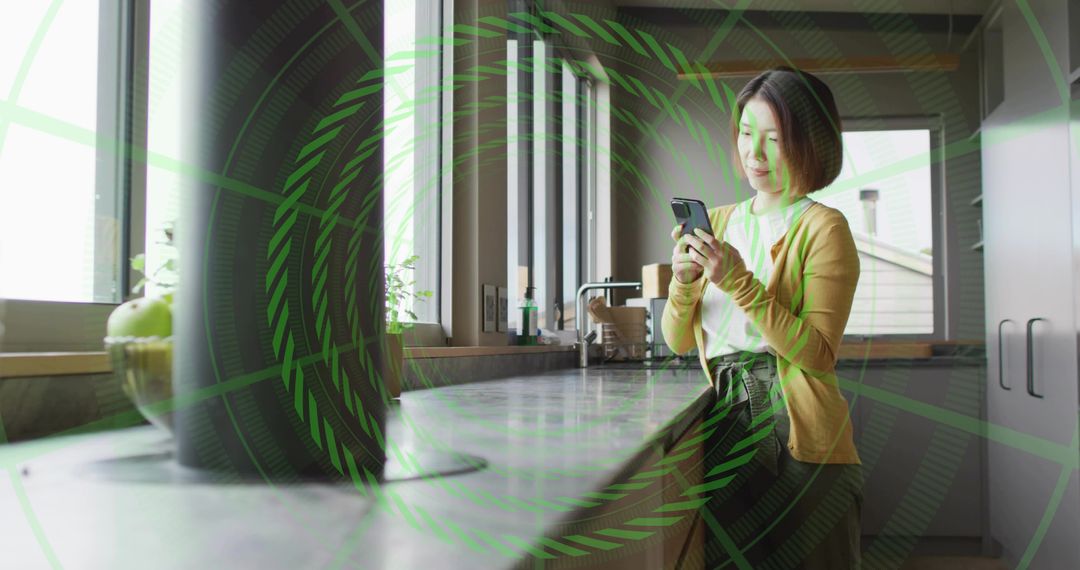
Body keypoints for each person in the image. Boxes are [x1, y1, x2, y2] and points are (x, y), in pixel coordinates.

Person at [661, 66, 863, 569]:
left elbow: (817, 352)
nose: (754, 153)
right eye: (747, 134)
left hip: (797, 427)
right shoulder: (724, 221)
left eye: (774, 138)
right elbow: (678, 341)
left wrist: (736, 280)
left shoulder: (823, 227)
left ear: (810, 143)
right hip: (724, 417)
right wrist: (684, 282)